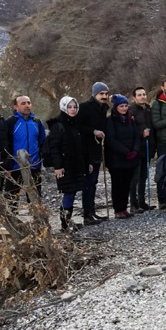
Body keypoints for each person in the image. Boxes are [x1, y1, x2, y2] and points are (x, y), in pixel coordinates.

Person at [47, 97, 90, 231]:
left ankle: (67, 222)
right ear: (64, 107)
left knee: (73, 192)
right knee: (69, 193)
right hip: (65, 165)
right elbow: (54, 148)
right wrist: (58, 166)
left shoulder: (75, 123)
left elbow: (82, 147)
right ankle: (64, 224)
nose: (72, 109)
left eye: (74, 107)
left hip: (76, 164)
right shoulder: (58, 125)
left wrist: (86, 163)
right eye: (70, 107)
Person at [76, 82, 110, 226]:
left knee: (94, 182)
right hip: (87, 148)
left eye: (106, 94)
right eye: (101, 94)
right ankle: (87, 214)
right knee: (89, 183)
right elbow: (78, 126)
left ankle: (92, 211)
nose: (104, 96)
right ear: (94, 94)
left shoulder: (103, 108)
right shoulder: (84, 107)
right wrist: (93, 131)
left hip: (97, 148)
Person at [5, 95, 46, 208]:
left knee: (35, 200)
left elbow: (42, 143)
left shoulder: (37, 122)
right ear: (15, 106)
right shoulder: (10, 122)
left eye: (28, 103)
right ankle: (10, 223)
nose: (27, 105)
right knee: (11, 199)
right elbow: (6, 144)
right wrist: (7, 165)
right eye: (23, 103)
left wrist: (41, 161)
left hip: (34, 166)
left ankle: (37, 223)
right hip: (15, 167)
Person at [105, 95, 141, 219]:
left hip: (131, 157)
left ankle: (124, 207)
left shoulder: (131, 120)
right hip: (117, 158)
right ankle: (118, 208)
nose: (124, 108)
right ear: (116, 107)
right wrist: (125, 152)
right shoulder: (110, 121)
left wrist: (135, 150)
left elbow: (137, 135)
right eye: (121, 106)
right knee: (117, 184)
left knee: (127, 183)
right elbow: (111, 140)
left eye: (126, 106)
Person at [128, 86, 154, 213]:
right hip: (137, 147)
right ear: (134, 98)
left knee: (144, 175)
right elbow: (129, 130)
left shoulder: (148, 109)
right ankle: (133, 204)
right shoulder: (131, 111)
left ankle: (142, 201)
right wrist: (141, 134)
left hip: (147, 146)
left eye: (144, 94)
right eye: (139, 95)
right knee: (135, 176)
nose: (143, 96)